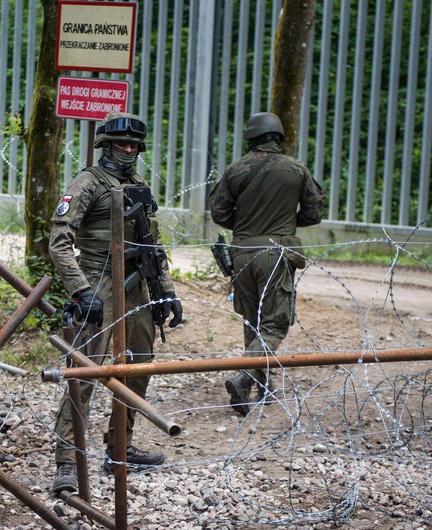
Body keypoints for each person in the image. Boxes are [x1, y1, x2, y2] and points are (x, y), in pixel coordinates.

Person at [48, 111, 184, 494]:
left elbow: (153, 245)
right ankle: (66, 461)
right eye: (121, 144)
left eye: (134, 145)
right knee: (85, 372)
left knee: (139, 367)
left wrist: (167, 291)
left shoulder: (139, 184)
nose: (128, 150)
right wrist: (81, 289)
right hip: (99, 282)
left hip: (138, 285)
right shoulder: (88, 183)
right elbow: (59, 242)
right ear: (105, 145)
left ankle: (119, 449)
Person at [209, 112, 324, 416]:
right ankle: (245, 374)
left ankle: (260, 386)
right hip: (276, 253)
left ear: (250, 138)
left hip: (242, 253)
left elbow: (219, 213)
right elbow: (314, 213)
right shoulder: (296, 169)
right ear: (278, 137)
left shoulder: (236, 170)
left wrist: (246, 223)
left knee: (253, 319)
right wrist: (286, 222)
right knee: (275, 322)